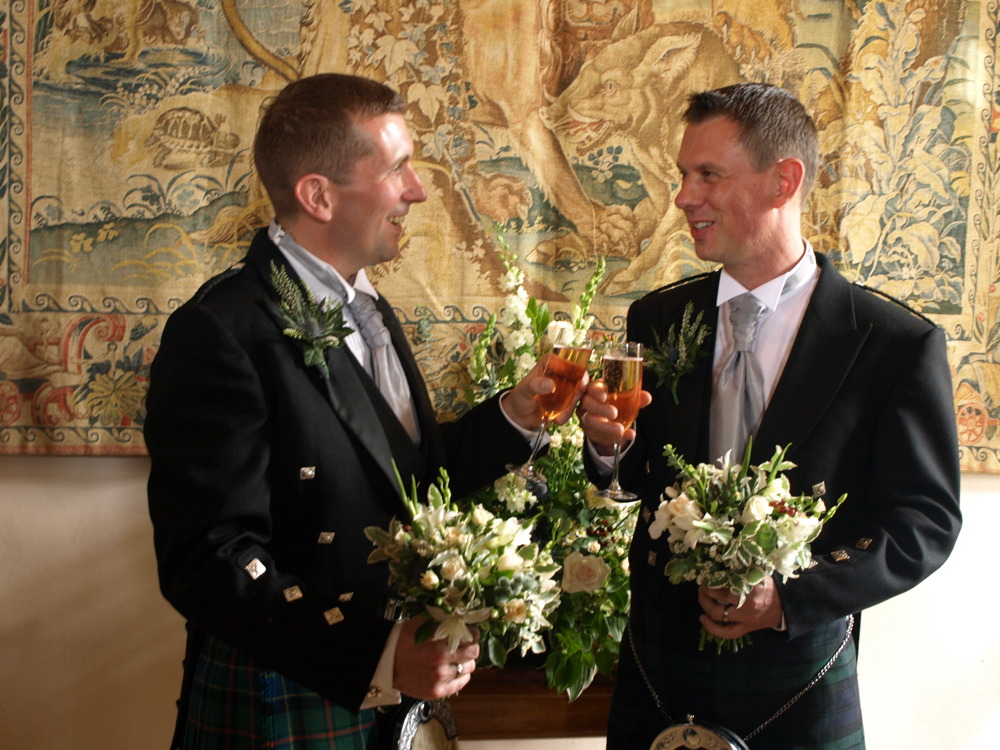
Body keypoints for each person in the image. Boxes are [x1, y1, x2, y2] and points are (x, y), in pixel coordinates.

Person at [145, 73, 574, 749]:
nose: (418, 190)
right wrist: (373, 653)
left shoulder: (366, 308)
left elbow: (405, 478)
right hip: (286, 691)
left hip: (380, 700)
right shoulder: (222, 331)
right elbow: (208, 559)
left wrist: (515, 416)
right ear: (318, 194)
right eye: (398, 167)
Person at [579, 82, 961, 749]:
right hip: (658, 665)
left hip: (799, 679)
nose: (683, 197)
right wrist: (607, 448)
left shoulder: (893, 344)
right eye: (682, 175)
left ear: (784, 181)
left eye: (707, 175)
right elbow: (635, 477)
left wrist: (789, 598)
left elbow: (924, 522)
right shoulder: (658, 320)